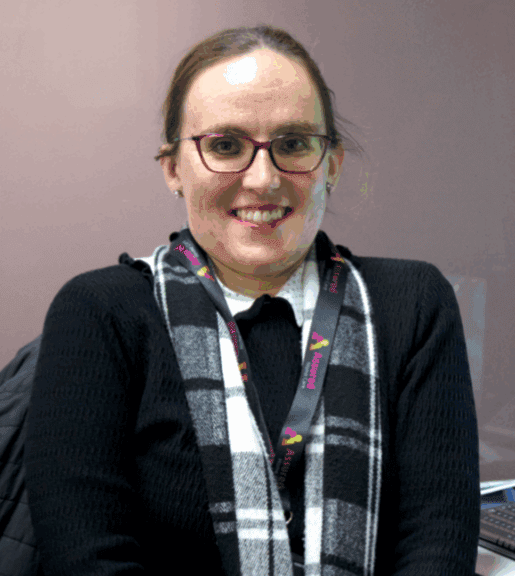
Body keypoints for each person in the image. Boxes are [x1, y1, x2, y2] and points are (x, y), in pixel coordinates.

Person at [24, 26, 479, 576]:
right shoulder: (102, 314)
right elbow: (86, 560)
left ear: (330, 163)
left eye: (292, 144)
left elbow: (437, 547)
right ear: (173, 168)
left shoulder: (413, 305)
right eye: (224, 146)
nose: (263, 180)